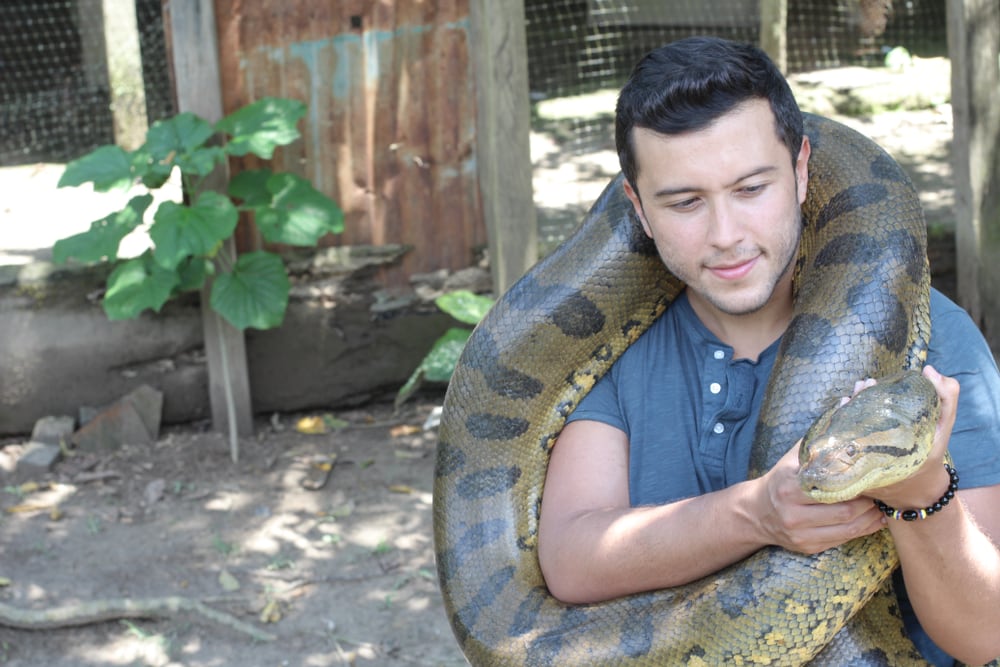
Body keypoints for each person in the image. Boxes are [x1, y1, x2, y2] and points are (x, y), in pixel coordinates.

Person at [536, 36, 1000, 667]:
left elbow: (986, 638)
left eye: (752, 188)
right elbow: (570, 559)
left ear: (803, 169)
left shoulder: (934, 353)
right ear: (637, 208)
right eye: (685, 201)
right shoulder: (613, 351)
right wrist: (755, 514)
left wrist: (922, 493)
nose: (726, 236)